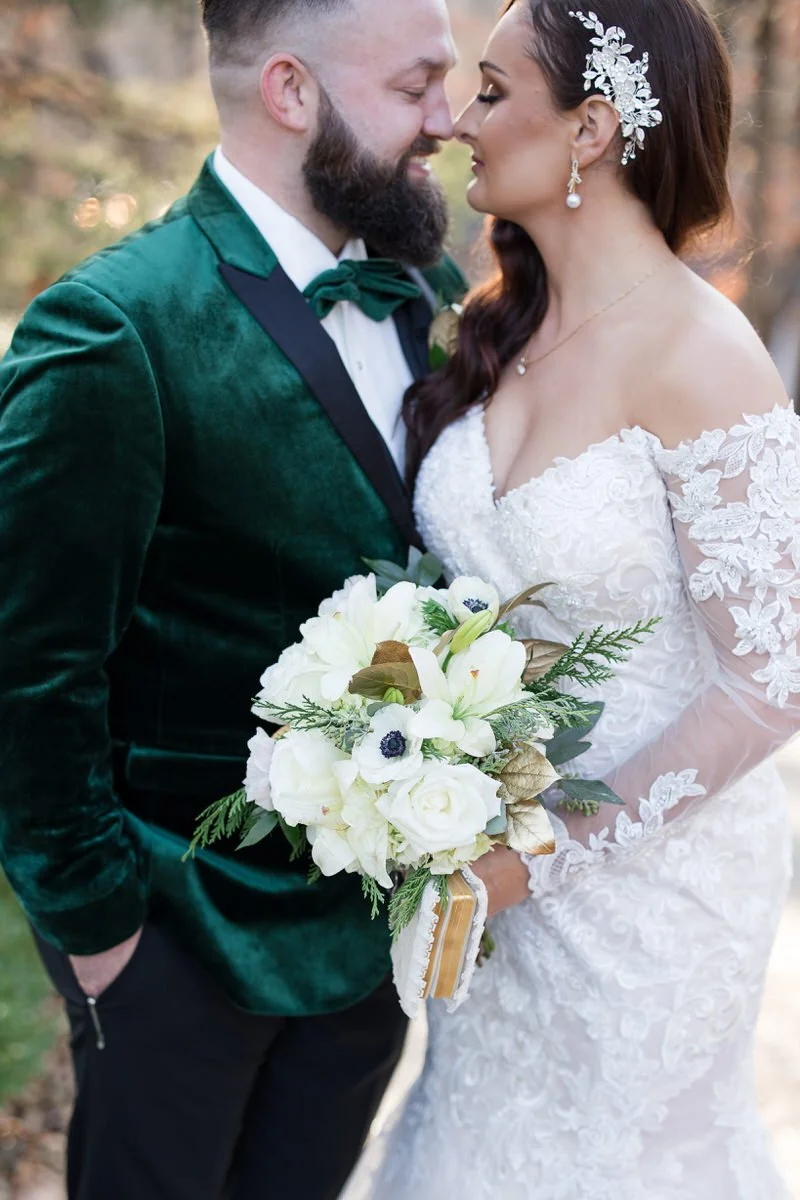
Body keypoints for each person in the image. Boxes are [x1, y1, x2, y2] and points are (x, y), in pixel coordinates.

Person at [0, 1, 465, 1197]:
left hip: (364, 952)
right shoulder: (114, 327)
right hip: (179, 948)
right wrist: (104, 938)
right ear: (292, 93)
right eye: (415, 86)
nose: (446, 119)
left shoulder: (426, 294)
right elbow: (28, 675)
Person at [372, 0, 795, 1196]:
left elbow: (771, 684)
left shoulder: (701, 355)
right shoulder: (495, 333)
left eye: (493, 92)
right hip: (484, 867)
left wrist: (536, 858)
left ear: (592, 129)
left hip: (646, 889)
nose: (457, 120)